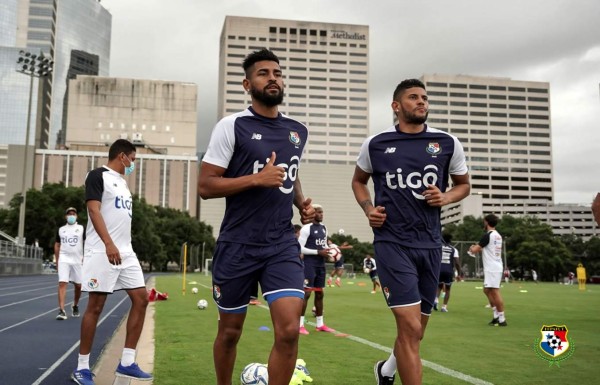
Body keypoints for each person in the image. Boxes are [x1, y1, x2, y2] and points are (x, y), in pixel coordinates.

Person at [197, 48, 315, 385]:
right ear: (248, 84)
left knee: (290, 329)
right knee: (230, 332)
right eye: (264, 73)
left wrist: (301, 203)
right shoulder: (232, 126)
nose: (273, 78)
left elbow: (288, 173)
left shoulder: (297, 131)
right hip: (238, 244)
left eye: (277, 73)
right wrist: (256, 179)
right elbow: (206, 185)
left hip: (280, 244)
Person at [351, 79, 470, 385]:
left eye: (424, 98)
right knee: (410, 328)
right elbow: (358, 181)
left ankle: (386, 371)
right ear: (396, 106)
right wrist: (368, 209)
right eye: (414, 97)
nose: (421, 102)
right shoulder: (375, 144)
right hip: (392, 243)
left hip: (430, 246)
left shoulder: (447, 143)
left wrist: (445, 197)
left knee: (416, 332)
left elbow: (463, 185)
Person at [71, 139, 152, 385]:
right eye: (133, 160)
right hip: (101, 251)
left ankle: (127, 362)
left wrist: (120, 245)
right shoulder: (97, 176)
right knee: (96, 306)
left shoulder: (124, 184)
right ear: (122, 156)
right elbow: (94, 211)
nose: (133, 165)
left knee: (141, 299)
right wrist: (108, 243)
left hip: (126, 252)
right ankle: (82, 367)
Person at [297, 204, 335, 334]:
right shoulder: (307, 228)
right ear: (313, 214)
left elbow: (323, 245)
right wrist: (318, 252)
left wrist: (328, 253)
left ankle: (320, 324)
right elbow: (300, 248)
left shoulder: (324, 228)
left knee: (320, 293)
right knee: (306, 293)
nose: (321, 214)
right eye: (319, 212)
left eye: (322, 212)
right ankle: (300, 325)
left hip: (320, 264)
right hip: (309, 264)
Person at [469, 214, 507, 327]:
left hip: (492, 268)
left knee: (494, 291)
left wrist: (472, 248)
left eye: (484, 221)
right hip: (494, 266)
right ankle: (496, 316)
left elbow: (475, 250)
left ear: (486, 222)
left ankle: (502, 318)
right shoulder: (498, 235)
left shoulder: (488, 235)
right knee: (486, 290)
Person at [54, 207, 84, 320]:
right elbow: (57, 245)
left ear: (76, 216)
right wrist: (57, 261)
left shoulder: (81, 228)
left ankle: (75, 305)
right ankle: (61, 310)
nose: (71, 215)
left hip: (77, 260)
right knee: (62, 283)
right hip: (64, 259)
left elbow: (87, 243)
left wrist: (86, 257)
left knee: (79, 285)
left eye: (73, 214)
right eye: (69, 214)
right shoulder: (61, 230)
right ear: (65, 216)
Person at [434, 234, 461, 312]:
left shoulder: (438, 248)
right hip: (448, 271)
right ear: (450, 240)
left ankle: (435, 300)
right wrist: (459, 274)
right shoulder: (454, 249)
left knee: (439, 286)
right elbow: (457, 263)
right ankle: (444, 307)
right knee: (448, 289)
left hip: (439, 270)